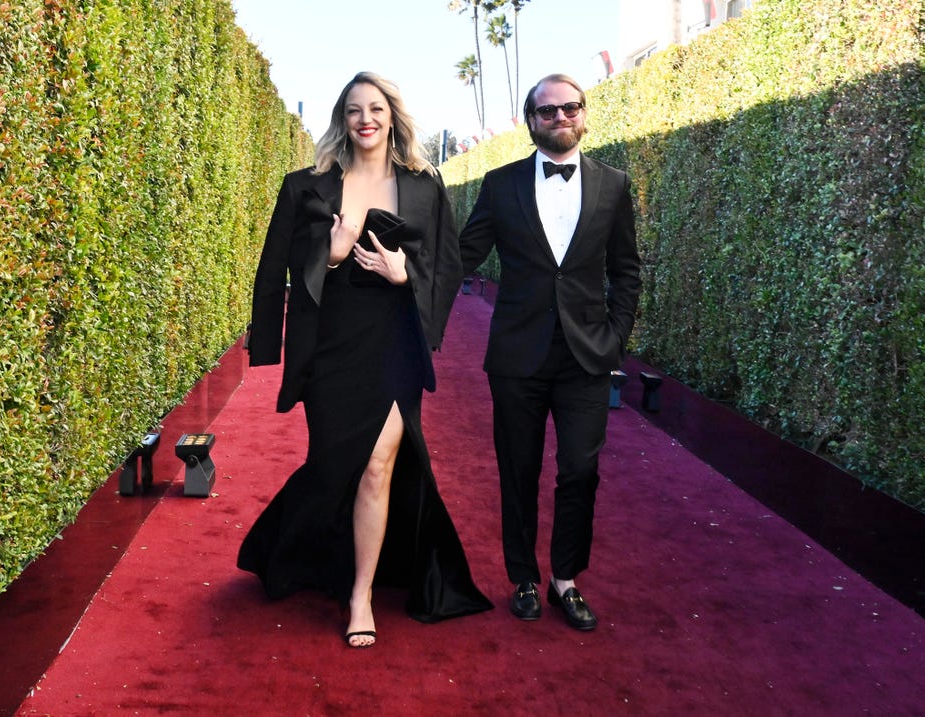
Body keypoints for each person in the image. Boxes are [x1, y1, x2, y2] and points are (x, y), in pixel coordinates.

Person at [238, 72, 492, 648]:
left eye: (375, 108)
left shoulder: (425, 186)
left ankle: (361, 594)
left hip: (396, 338)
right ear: (342, 119)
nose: (365, 119)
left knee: (379, 463)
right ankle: (289, 546)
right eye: (353, 110)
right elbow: (274, 265)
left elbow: (448, 266)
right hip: (332, 343)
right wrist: (328, 257)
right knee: (334, 462)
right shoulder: (307, 185)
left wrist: (406, 275)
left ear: (392, 115)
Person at [457, 74, 642, 631]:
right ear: (531, 120)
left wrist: (614, 339)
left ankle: (566, 577)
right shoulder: (500, 183)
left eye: (570, 108)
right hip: (517, 355)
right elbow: (463, 255)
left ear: (584, 115)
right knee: (518, 470)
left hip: (586, 356)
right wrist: (406, 275)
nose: (560, 118)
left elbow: (626, 272)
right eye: (548, 111)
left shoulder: (613, 185)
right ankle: (523, 578)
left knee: (580, 470)